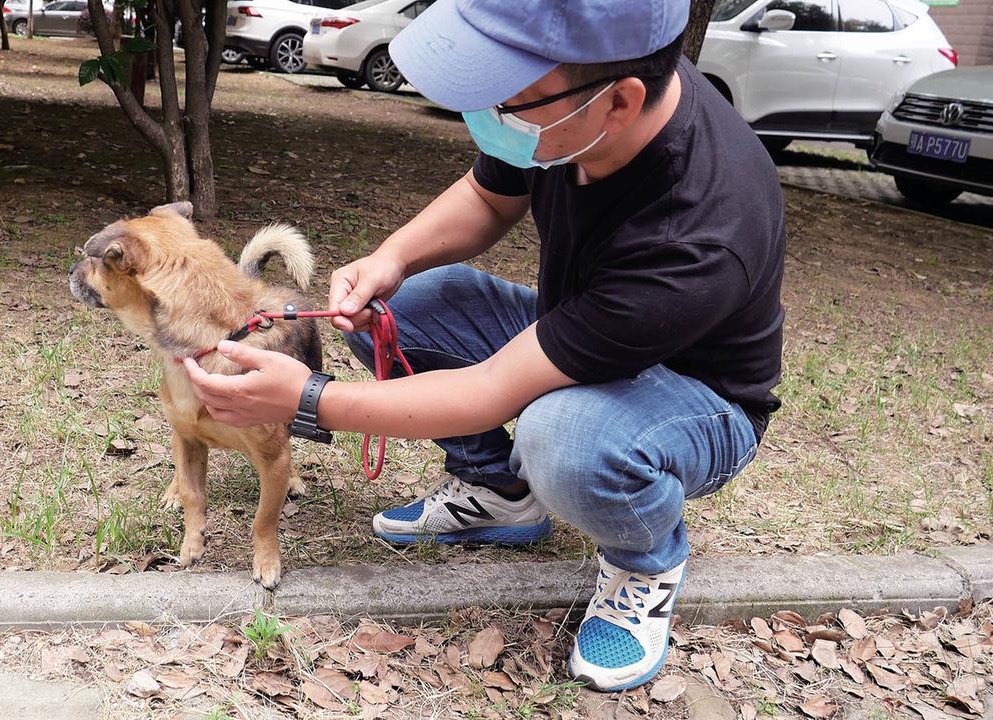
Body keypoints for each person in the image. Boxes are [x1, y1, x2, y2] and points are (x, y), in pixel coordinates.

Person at [184, 0, 785, 692]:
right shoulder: (580, 100)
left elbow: (490, 390)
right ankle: (500, 493)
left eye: (511, 97)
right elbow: (490, 195)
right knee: (402, 308)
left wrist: (308, 399)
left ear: (621, 103)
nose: (491, 107)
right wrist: (392, 259)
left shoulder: (699, 230)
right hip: (588, 332)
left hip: (696, 398)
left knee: (562, 437)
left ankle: (646, 562)